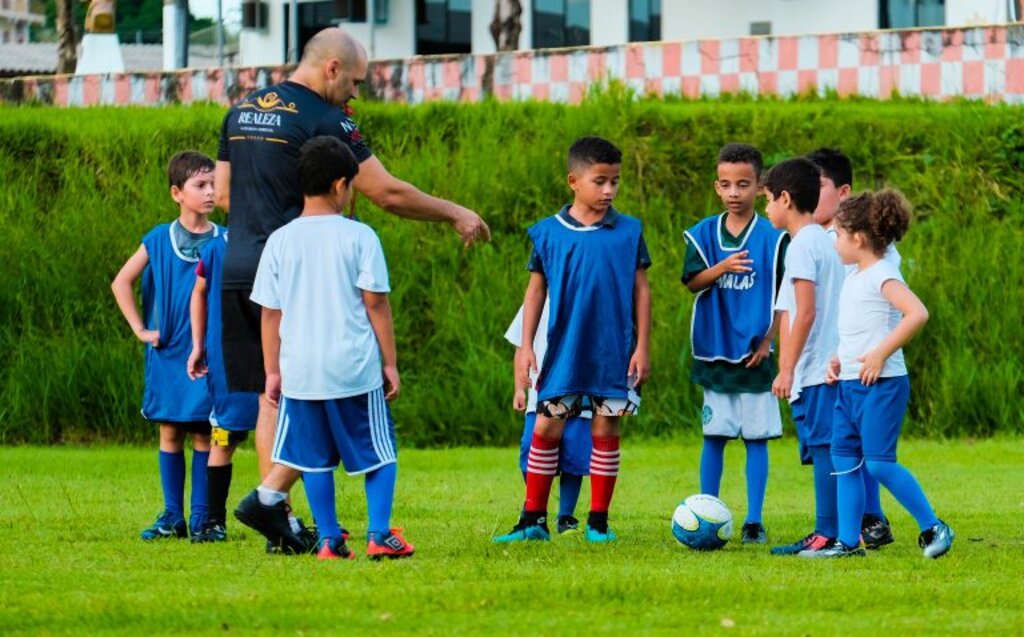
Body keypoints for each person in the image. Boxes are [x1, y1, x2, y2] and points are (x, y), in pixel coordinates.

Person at [215, 27, 490, 515]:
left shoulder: (240, 110)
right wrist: (456, 212)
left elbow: (221, 196)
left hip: (238, 267)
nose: (356, 94)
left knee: (269, 397)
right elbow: (387, 193)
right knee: (324, 392)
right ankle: (272, 502)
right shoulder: (325, 118)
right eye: (356, 82)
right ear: (332, 68)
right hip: (298, 273)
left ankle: (277, 516)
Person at [234, 136, 413, 560]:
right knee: (379, 452)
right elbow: (375, 302)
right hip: (351, 365)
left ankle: (330, 540)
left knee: (312, 456)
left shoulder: (280, 240)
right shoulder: (359, 236)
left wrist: (272, 372)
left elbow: (271, 314)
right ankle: (379, 534)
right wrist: (390, 362)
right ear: (339, 185)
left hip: (300, 369)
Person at [493, 135, 651, 544]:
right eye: (600, 181)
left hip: (612, 351)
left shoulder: (629, 231)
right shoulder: (548, 233)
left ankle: (598, 523)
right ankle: (533, 522)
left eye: (615, 182)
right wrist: (527, 346)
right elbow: (535, 292)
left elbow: (642, 291)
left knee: (606, 429)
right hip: (563, 351)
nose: (609, 190)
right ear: (573, 181)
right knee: (546, 428)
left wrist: (642, 347)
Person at [804, 189, 954, 559]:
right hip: (850, 385)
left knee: (879, 463)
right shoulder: (856, 276)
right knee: (844, 460)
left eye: (837, 234)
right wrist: (840, 357)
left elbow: (917, 313)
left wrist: (880, 355)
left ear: (857, 238)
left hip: (882, 385)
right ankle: (848, 542)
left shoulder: (884, 273)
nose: (834, 242)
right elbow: (861, 328)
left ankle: (934, 526)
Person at [681, 143, 787, 545]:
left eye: (743, 184)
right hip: (714, 350)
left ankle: (754, 520)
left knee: (756, 438)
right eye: (726, 184)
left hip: (755, 355)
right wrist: (722, 267)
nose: (734, 192)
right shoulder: (704, 233)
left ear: (760, 186)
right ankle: (707, 508)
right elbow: (691, 282)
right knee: (715, 436)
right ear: (716, 186)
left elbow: (786, 297)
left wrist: (769, 342)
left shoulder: (774, 238)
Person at [111, 151, 220, 540]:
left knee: (206, 433)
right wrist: (141, 330)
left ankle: (204, 517)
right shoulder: (158, 238)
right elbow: (121, 282)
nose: (210, 192)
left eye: (213, 184)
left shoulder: (223, 239)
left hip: (208, 355)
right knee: (171, 431)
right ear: (177, 192)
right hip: (168, 351)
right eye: (200, 185)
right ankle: (173, 516)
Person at [805, 147, 894, 548]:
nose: (809, 193)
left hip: (866, 367)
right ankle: (846, 529)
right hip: (831, 362)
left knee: (864, 449)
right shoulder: (815, 238)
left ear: (843, 192)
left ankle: (870, 521)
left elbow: (890, 309)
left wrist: (874, 352)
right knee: (842, 448)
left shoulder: (873, 250)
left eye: (817, 185)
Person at [757, 158, 845, 556]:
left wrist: (787, 368)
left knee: (826, 448)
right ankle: (837, 531)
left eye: (768, 201)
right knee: (828, 447)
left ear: (786, 199)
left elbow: (805, 311)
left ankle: (830, 533)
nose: (766, 210)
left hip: (814, 369)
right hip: (822, 365)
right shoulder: (821, 242)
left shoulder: (803, 245)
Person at [185, 232, 260, 543]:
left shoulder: (279, 241)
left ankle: (282, 519)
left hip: (271, 352)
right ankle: (214, 521)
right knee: (224, 437)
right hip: (228, 356)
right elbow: (199, 292)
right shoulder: (215, 249)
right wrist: (197, 345)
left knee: (285, 440)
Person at [505, 299, 593, 534]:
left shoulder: (580, 298)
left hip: (579, 392)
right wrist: (518, 389)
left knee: (574, 458)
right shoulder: (534, 304)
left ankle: (566, 516)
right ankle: (534, 506)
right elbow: (520, 347)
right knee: (529, 450)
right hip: (539, 395)